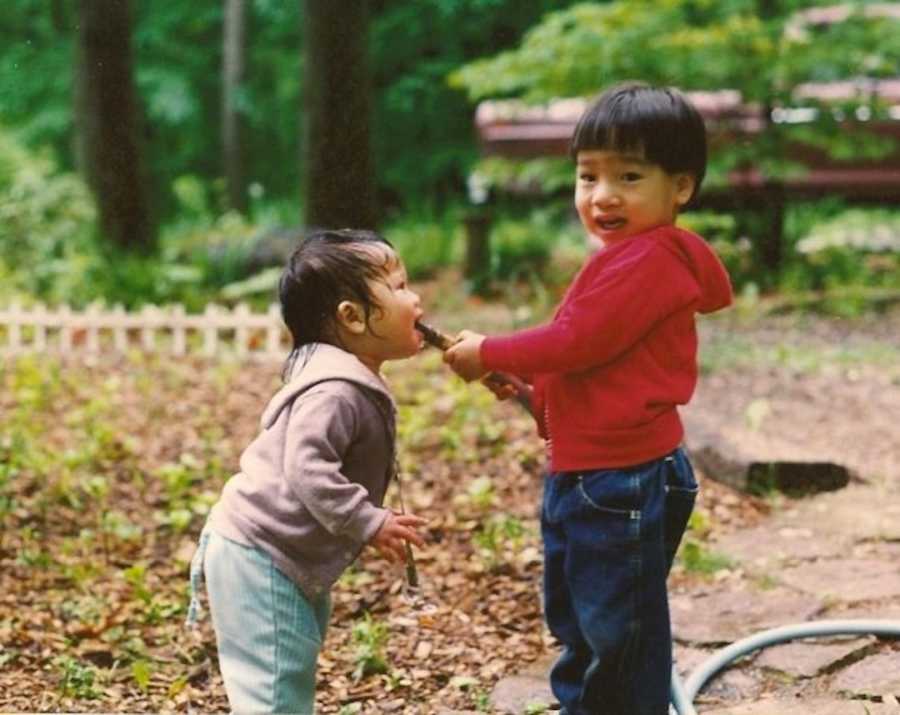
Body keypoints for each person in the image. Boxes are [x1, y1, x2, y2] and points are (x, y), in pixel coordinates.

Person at [444, 82, 733, 715]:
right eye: (588, 176)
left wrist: (491, 350)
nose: (603, 196)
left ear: (680, 187)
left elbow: (578, 340)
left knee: (617, 636)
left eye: (628, 176)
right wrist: (525, 390)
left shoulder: (648, 260)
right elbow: (600, 370)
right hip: (605, 471)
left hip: (616, 479)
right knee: (587, 621)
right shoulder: (628, 258)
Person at [186, 228, 428, 714]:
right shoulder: (334, 390)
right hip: (259, 554)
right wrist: (368, 519)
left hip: (277, 554)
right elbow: (306, 467)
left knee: (287, 670)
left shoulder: (340, 374)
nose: (416, 297)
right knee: (273, 688)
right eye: (399, 287)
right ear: (352, 317)